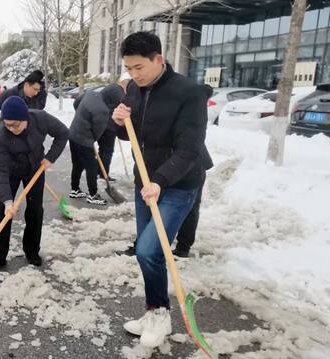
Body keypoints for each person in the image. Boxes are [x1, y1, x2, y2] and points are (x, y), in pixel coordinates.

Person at [110, 31, 211, 348]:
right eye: (129, 69)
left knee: (149, 250)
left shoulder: (188, 93)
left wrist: (161, 181)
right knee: (148, 255)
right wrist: (118, 121)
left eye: (139, 67)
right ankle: (155, 310)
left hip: (178, 183)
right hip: (146, 182)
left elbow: (190, 149)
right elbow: (131, 135)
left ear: (158, 59)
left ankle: (161, 317)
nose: (134, 75)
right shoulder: (135, 91)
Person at [0, 96, 69, 273]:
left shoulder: (41, 118)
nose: (11, 129)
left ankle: (32, 251)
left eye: (15, 125)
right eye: (7, 124)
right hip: (10, 171)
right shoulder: (1, 134)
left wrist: (50, 158)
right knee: (2, 210)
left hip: (35, 168)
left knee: (35, 209)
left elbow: (63, 133)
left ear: (25, 119)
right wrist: (8, 201)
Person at [173, 84, 214, 258]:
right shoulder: (190, 110)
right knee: (190, 208)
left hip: (193, 167)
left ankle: (182, 246)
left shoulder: (188, 113)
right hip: (190, 164)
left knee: (189, 207)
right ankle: (182, 246)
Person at [68, 83, 125, 205]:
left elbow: (77, 103)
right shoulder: (103, 111)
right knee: (92, 167)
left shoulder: (91, 93)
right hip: (84, 139)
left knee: (77, 164)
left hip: (73, 133)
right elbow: (97, 132)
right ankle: (93, 195)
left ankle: (75, 189)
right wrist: (90, 140)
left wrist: (82, 117)